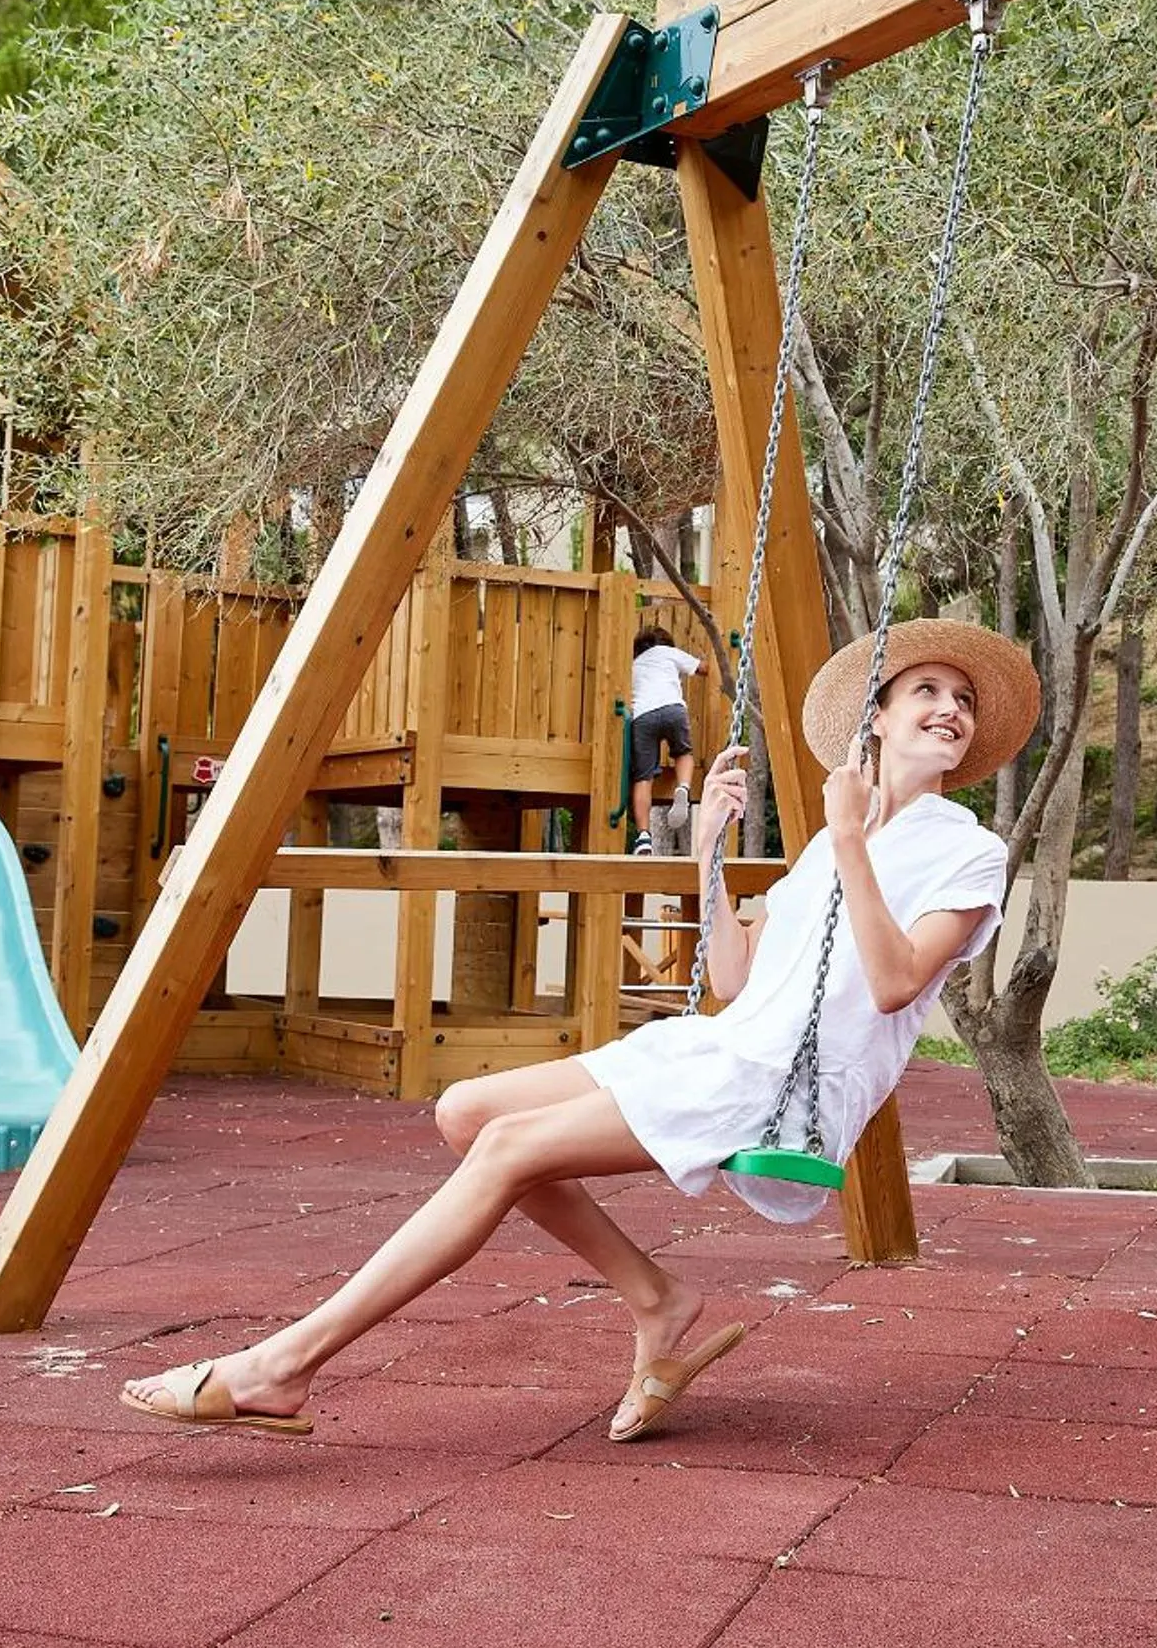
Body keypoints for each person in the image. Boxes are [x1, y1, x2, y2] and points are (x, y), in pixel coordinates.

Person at [121, 617, 1039, 1442]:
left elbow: (894, 984)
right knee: (466, 1112)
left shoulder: (968, 850)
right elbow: (732, 981)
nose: (950, 709)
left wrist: (847, 842)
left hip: (784, 1086)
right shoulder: (832, 840)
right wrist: (708, 853)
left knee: (507, 1149)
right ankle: (657, 1297)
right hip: (722, 1046)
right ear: (876, 717)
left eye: (963, 700)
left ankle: (282, 1367)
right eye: (927, 690)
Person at [628, 623, 703, 854]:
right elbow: (702, 668)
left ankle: (643, 836)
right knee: (683, 752)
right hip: (673, 709)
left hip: (643, 715)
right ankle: (683, 788)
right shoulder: (668, 653)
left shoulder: (634, 665)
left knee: (643, 777)